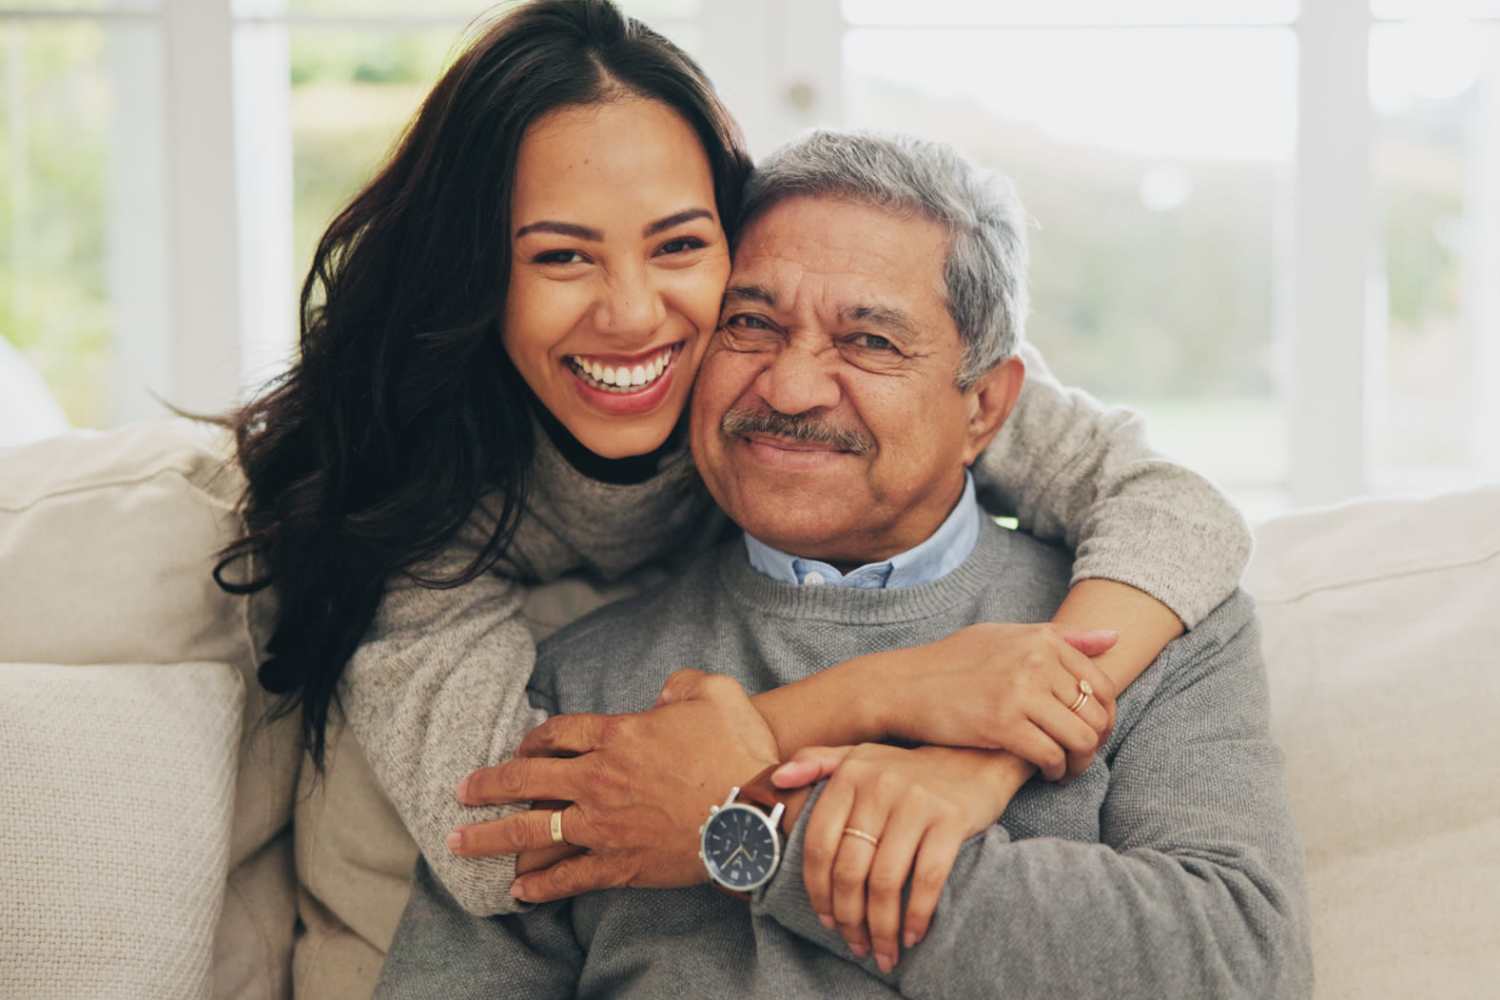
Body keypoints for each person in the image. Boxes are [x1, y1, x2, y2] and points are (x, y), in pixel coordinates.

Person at [216, 0, 1250, 955]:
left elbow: (1174, 504)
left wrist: (990, 749)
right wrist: (880, 696)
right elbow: (508, 840)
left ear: (733, 237)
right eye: (562, 258)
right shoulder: (413, 491)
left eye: (677, 245)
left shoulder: (826, 359)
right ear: (479, 273)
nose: (632, 314)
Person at [376, 129, 1312, 1000]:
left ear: (986, 406)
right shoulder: (576, 690)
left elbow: (1240, 964)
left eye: (869, 341)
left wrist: (756, 835)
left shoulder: (1151, 621)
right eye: (751, 323)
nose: (788, 386)